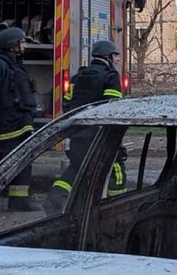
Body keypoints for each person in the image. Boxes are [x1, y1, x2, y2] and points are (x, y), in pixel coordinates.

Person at [44, 40, 124, 214]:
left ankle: (55, 199)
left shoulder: (78, 76)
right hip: (99, 134)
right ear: (108, 57)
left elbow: (67, 104)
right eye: (115, 55)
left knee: (77, 168)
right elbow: (113, 107)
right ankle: (118, 208)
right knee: (116, 168)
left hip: (78, 133)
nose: (118, 59)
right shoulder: (110, 76)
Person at [0, 27, 41, 211]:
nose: (25, 46)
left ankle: (19, 201)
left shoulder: (14, 64)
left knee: (23, 161)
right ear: (12, 44)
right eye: (22, 42)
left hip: (20, 120)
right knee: (11, 163)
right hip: (9, 123)